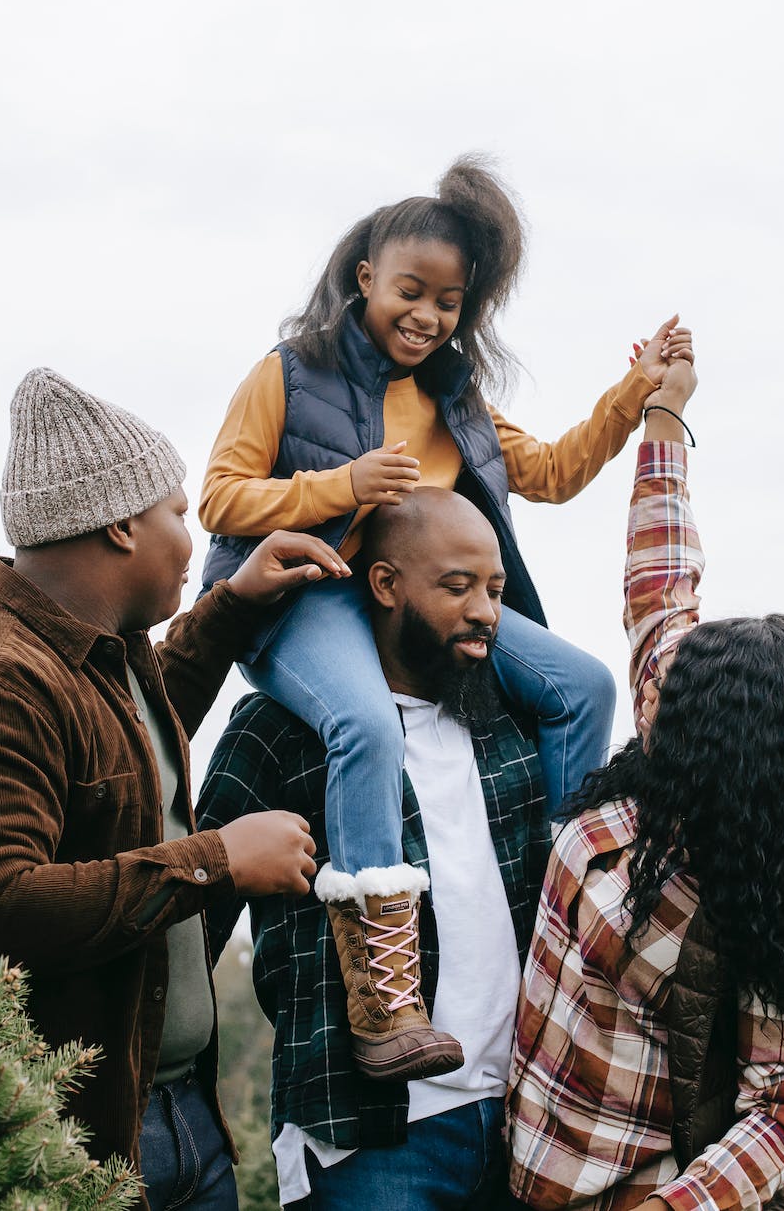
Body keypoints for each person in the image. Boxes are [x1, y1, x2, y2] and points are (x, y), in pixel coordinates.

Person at [197, 152, 689, 1080]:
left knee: (581, 685)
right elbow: (220, 498)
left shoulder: (455, 399)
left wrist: (639, 393)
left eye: (449, 302)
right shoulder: (290, 374)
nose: (426, 317)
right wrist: (339, 486)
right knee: (363, 724)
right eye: (410, 292)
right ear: (365, 280)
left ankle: (560, 914)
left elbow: (548, 472)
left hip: (431, 600)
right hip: (314, 591)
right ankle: (385, 998)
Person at [0, 369, 345, 1211]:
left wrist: (234, 604)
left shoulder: (106, 654)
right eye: (178, 512)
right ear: (122, 526)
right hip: (74, 1149)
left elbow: (129, 739)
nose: (192, 533)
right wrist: (219, 862)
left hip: (180, 1120)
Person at [507, 358, 784, 1210]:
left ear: (729, 756)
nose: (651, 701)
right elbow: (659, 577)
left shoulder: (770, 897)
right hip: (517, 1172)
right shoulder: (675, 714)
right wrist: (663, 418)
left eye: (675, 711)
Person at [195, 488, 548, 1210]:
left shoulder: (508, 727)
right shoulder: (280, 729)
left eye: (495, 589)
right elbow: (193, 920)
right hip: (367, 1140)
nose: (484, 610)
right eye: (457, 586)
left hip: (521, 1123)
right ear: (385, 584)